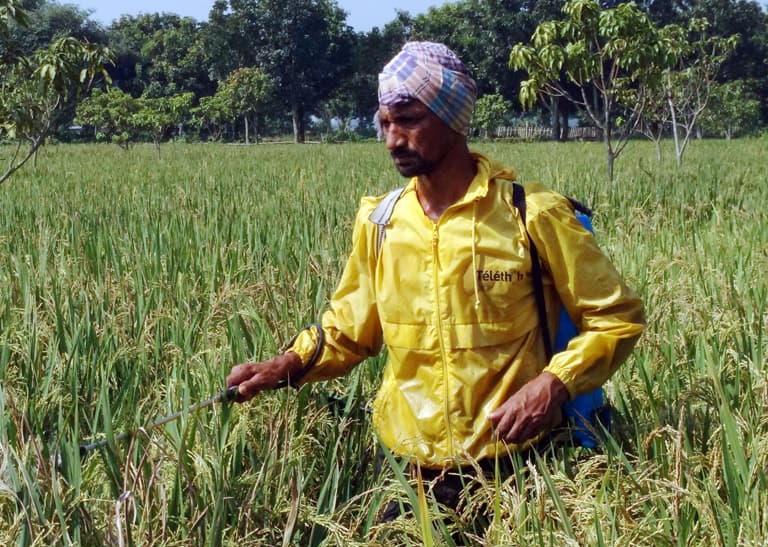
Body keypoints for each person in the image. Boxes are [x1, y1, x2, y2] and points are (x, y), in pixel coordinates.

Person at [225, 42, 645, 512]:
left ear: (453, 117)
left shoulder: (530, 215)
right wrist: (286, 365)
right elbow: (349, 333)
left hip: (519, 467)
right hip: (411, 474)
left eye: (409, 120)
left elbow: (616, 317)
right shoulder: (381, 223)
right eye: (384, 123)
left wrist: (553, 385)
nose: (392, 139)